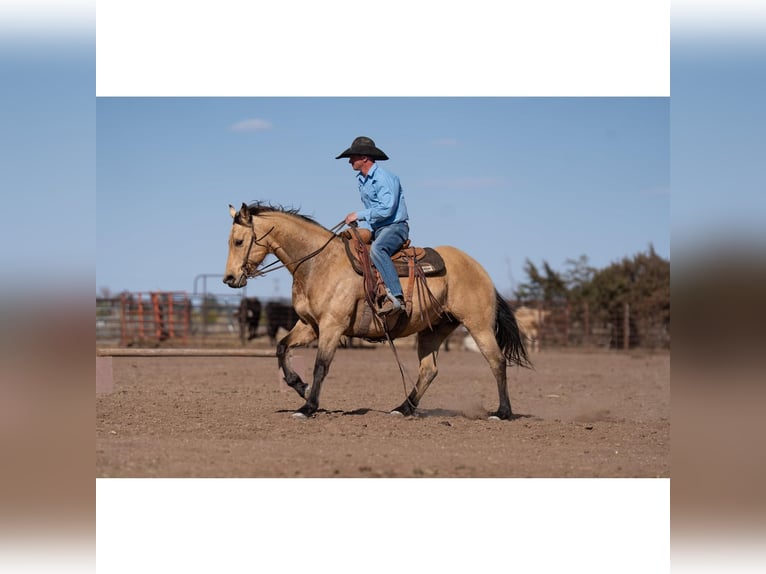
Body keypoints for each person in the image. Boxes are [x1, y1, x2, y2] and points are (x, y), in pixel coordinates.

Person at [336, 136, 409, 316]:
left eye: (353, 157)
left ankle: (396, 297)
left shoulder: (384, 178)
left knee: (377, 249)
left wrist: (358, 215)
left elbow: (386, 209)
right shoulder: (362, 180)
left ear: (365, 158)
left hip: (395, 227)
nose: (349, 161)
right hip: (378, 228)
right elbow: (374, 210)